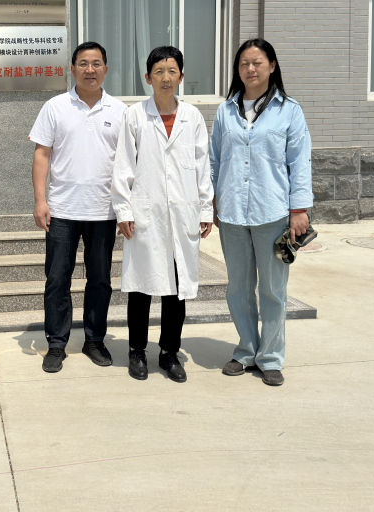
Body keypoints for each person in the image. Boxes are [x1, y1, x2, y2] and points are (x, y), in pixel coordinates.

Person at [210, 38, 312, 387]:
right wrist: (211, 202)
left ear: (271, 66)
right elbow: (214, 161)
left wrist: (299, 209)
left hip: (273, 213)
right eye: (244, 63)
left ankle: (270, 357)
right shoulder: (226, 111)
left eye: (257, 62)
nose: (250, 69)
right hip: (232, 213)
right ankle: (246, 351)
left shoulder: (289, 111)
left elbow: (300, 163)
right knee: (238, 287)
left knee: (273, 289)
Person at [111, 46, 214, 383]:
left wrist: (205, 208)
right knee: (141, 287)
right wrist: (123, 209)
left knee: (176, 288)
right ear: (148, 78)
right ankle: (136, 351)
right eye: (159, 72)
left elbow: (202, 166)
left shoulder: (192, 117)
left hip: (182, 214)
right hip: (145, 214)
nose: (165, 78)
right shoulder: (135, 115)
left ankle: (169, 352)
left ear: (181, 76)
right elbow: (123, 165)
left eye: (172, 71)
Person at [29, 41, 127, 373]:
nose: (89, 69)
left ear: (106, 69)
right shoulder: (55, 107)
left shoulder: (120, 111)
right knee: (57, 279)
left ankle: (94, 340)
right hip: (61, 211)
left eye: (96, 63)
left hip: (103, 211)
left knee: (100, 280)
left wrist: (125, 209)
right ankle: (56, 344)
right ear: (72, 69)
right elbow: (42, 155)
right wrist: (40, 200)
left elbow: (127, 163)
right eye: (83, 63)